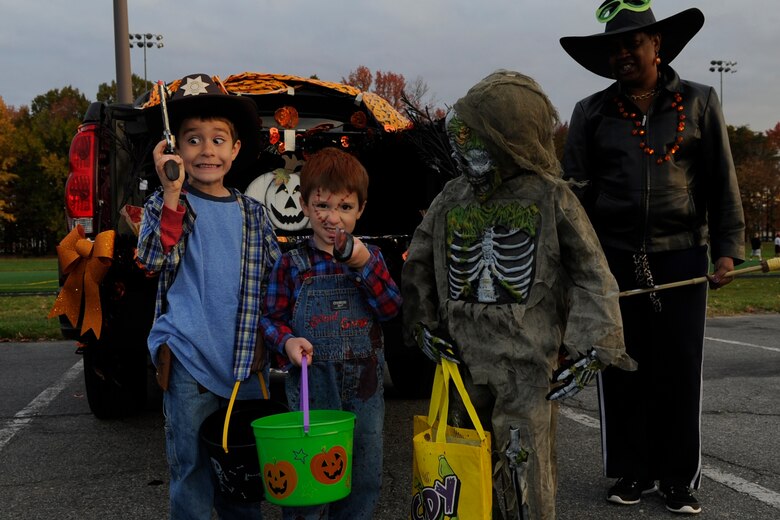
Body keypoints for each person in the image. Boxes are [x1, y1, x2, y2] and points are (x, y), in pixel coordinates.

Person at [401, 70, 634, 520]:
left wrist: (594, 347)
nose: (458, 151)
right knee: (459, 470)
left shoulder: (551, 197)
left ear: (507, 139)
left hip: (526, 369)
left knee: (521, 468)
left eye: (470, 140)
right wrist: (422, 323)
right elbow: (419, 263)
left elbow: (592, 274)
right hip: (461, 364)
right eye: (457, 138)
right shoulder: (452, 196)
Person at [560, 2, 745, 515]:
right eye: (614, 48)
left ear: (656, 45)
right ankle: (630, 471)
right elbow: (571, 194)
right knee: (620, 365)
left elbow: (721, 183)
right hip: (613, 261)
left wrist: (728, 249)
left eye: (632, 44)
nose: (622, 54)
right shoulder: (591, 111)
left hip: (682, 256)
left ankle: (678, 478)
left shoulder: (701, 102)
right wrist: (573, 260)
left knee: (679, 368)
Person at [136, 73, 281, 519]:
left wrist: (269, 337)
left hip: (244, 365)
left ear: (235, 150)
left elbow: (274, 283)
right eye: (193, 140)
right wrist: (172, 190)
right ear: (174, 149)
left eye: (218, 140)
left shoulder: (253, 214)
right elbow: (149, 260)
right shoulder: (167, 206)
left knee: (242, 479)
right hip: (189, 365)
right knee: (192, 473)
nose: (207, 150)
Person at [260, 147, 402, 520]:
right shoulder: (291, 263)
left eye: (344, 207)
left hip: (365, 382)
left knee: (364, 467)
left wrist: (365, 266)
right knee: (311, 474)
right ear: (305, 206)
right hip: (313, 382)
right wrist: (287, 341)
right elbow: (270, 318)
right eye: (322, 205)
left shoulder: (371, 257)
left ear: (360, 210)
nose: (333, 218)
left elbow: (390, 309)